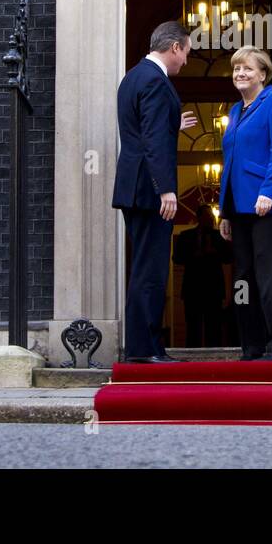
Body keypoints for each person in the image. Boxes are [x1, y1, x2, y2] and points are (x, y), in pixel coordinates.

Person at [111, 21, 197, 363]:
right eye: (187, 53)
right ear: (174, 47)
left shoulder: (133, 77)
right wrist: (166, 190)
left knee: (144, 267)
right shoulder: (157, 82)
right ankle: (143, 350)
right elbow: (154, 141)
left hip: (132, 186)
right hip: (149, 189)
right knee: (152, 270)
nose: (186, 61)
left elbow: (142, 129)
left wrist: (171, 123)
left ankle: (144, 347)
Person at [218, 45, 272, 361]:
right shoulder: (235, 111)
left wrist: (268, 191)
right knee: (243, 281)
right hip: (239, 210)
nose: (240, 73)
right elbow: (230, 160)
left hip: (271, 207)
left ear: (263, 74)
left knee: (270, 277)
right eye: (237, 68)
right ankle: (251, 345)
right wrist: (225, 211)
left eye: (247, 69)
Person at [173, 205, 229, 347]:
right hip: (193, 288)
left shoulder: (218, 236)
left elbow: (229, 258)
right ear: (199, 218)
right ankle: (192, 357)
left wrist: (214, 252)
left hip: (213, 289)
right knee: (192, 326)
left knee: (214, 327)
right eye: (206, 215)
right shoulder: (186, 236)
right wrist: (193, 256)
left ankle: (215, 357)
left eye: (211, 216)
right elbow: (177, 258)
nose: (209, 219)